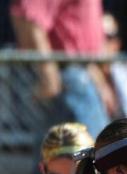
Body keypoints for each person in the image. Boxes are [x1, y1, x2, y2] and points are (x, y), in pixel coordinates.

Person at [10, 0, 110, 138]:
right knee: (94, 151)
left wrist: (99, 80)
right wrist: (48, 73)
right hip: (67, 77)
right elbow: (31, 19)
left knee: (61, 153)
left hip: (82, 72)